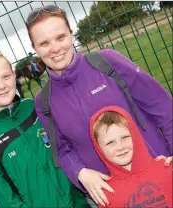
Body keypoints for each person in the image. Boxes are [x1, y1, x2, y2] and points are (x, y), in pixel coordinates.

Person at [25, 4, 173, 207]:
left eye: (60, 37)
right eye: (44, 43)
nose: (55, 48)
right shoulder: (44, 101)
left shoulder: (108, 63)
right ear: (35, 48)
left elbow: (164, 108)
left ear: (71, 34)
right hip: (113, 197)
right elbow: (61, 150)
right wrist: (81, 173)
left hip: (161, 177)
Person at [0, 51, 88, 207]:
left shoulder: (33, 107)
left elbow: (66, 147)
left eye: (6, 76)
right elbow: (2, 192)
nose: (1, 86)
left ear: (14, 75)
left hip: (77, 202)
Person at [90, 106, 172, 208]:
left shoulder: (167, 168)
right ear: (99, 148)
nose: (120, 147)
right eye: (110, 143)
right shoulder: (105, 194)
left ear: (135, 136)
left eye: (125, 137)